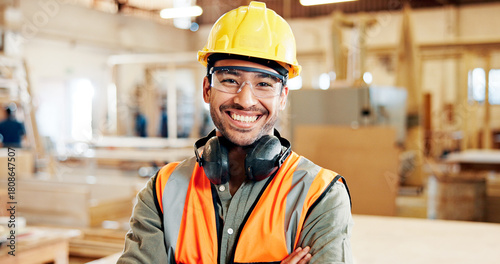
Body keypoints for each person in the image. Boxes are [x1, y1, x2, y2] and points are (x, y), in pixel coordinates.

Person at [118, 2, 353, 263]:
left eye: (264, 84)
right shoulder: (162, 190)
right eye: (230, 80)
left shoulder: (320, 196)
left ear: (283, 96)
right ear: (207, 88)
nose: (245, 100)